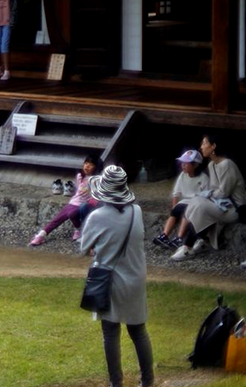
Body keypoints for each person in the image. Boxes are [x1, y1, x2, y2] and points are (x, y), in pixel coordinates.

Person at [80, 165, 153, 387]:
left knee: (110, 332)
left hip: (110, 280)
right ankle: (148, 381)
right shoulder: (136, 212)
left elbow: (84, 248)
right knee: (138, 331)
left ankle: (116, 383)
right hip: (136, 278)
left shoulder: (97, 216)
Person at [173, 134, 244, 261]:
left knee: (200, 205)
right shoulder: (212, 165)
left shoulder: (227, 164)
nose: (201, 147)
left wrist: (207, 195)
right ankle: (199, 241)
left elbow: (223, 192)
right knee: (197, 202)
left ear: (213, 146)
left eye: (204, 143)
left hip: (233, 208)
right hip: (220, 205)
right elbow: (213, 189)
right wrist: (207, 195)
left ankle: (187, 247)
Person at [31, 154, 100, 247]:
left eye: (91, 164)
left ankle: (80, 230)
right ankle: (42, 234)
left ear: (96, 168)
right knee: (59, 218)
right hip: (75, 202)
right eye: (86, 163)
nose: (87, 166)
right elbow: (79, 192)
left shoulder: (97, 180)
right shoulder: (80, 176)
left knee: (73, 213)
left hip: (86, 204)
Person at [155, 150, 210, 248]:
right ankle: (164, 235)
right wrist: (174, 206)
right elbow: (176, 193)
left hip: (196, 203)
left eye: (186, 163)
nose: (183, 165)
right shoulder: (182, 176)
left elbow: (206, 195)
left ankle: (179, 237)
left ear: (195, 165)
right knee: (175, 211)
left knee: (186, 212)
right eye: (182, 163)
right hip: (184, 202)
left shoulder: (203, 178)